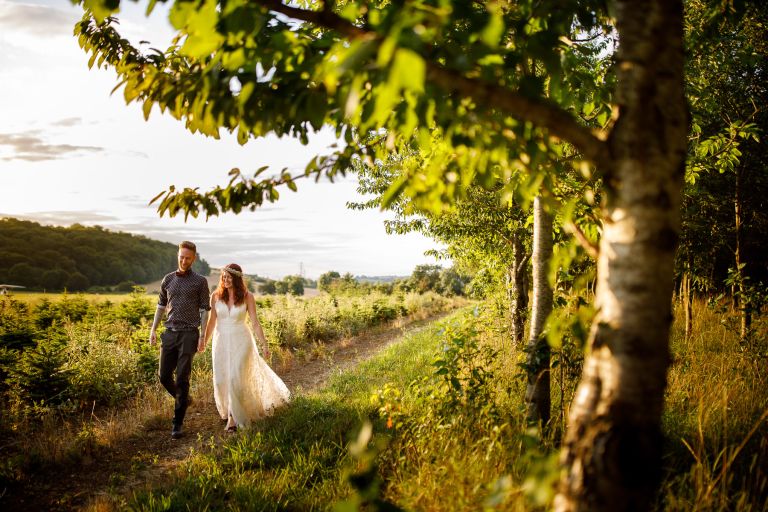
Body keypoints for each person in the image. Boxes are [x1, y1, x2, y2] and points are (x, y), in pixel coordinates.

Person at [201, 263, 290, 432]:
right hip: (220, 341)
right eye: (223, 276)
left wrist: (264, 343)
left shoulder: (247, 297)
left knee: (235, 378)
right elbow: (212, 321)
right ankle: (229, 410)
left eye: (228, 277)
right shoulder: (215, 296)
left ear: (236, 278)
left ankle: (233, 420)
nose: (225, 280)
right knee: (221, 380)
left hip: (241, 340)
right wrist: (204, 341)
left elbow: (255, 323)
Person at [149, 241, 211, 439]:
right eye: (181, 257)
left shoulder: (200, 281)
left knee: (183, 377)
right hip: (169, 333)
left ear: (194, 259)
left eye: (188, 258)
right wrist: (153, 330)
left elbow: (204, 310)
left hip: (189, 334)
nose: (184, 261)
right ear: (178, 256)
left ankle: (177, 423)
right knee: (164, 376)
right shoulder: (167, 280)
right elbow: (160, 306)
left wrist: (202, 335)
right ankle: (184, 400)